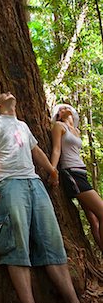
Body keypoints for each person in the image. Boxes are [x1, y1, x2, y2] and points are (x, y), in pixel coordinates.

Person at [0, 92, 93, 303]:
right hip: (9, 184)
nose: (10, 93)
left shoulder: (22, 125)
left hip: (35, 183)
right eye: (3, 95)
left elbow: (36, 151)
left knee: (53, 244)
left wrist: (51, 170)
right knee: (15, 243)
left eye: (12, 93)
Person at [51, 103, 103, 252]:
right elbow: (56, 150)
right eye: (59, 110)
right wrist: (53, 171)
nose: (62, 109)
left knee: (93, 219)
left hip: (81, 173)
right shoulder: (59, 126)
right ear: (58, 116)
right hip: (71, 173)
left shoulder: (77, 131)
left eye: (64, 107)